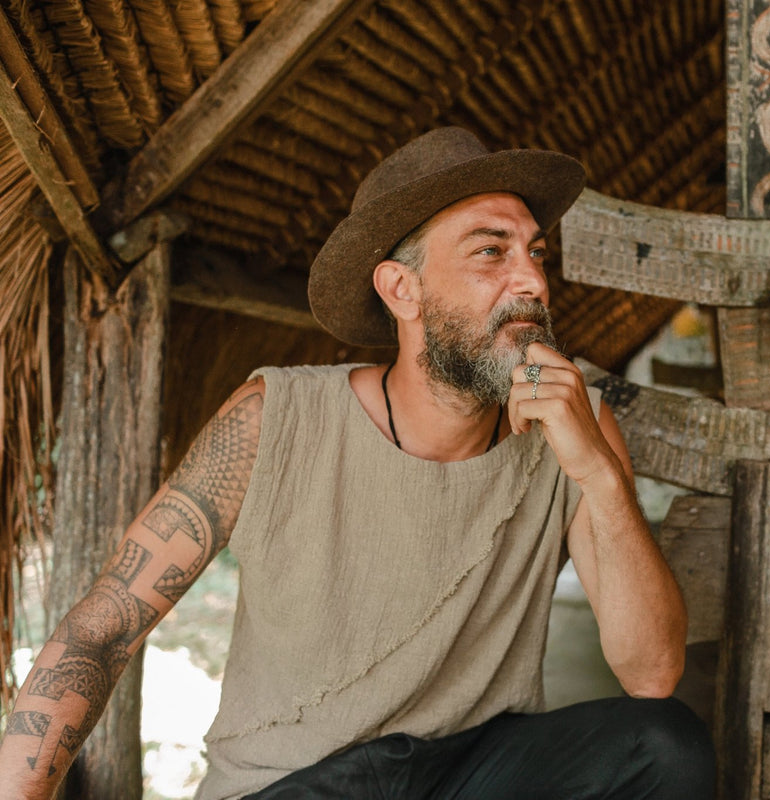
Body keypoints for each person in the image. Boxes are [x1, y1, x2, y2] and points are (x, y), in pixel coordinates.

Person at [0, 128, 715, 798]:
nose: (531, 281)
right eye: (491, 252)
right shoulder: (275, 420)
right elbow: (103, 629)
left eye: (535, 253)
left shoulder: (578, 424)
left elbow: (652, 674)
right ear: (402, 290)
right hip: (297, 783)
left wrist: (598, 474)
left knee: (664, 744)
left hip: (469, 768)